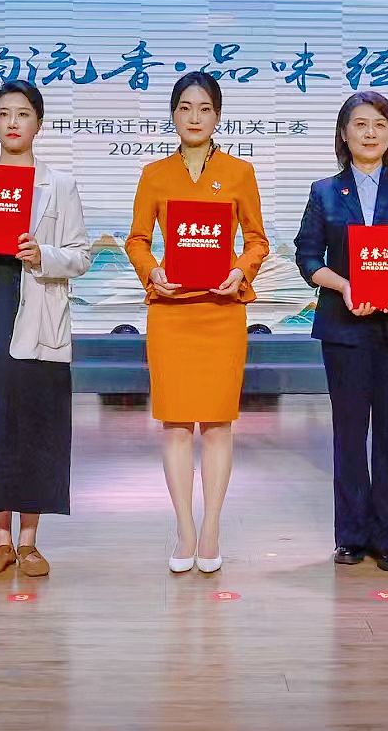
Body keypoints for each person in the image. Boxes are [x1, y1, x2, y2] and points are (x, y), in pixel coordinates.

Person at [0, 82, 93, 579]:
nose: (12, 122)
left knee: (33, 427)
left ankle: (29, 542)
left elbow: (81, 256)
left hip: (37, 318)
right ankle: (0, 541)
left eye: (23, 114)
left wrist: (43, 255)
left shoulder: (60, 185)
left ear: (39, 123)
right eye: (4, 113)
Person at [125, 71, 269, 575]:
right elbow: (137, 239)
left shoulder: (239, 172)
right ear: (173, 114)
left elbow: (257, 239)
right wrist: (152, 272)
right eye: (185, 107)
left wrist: (240, 270)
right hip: (171, 313)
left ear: (218, 116)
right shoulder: (154, 174)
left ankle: (211, 528)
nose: (194, 117)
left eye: (204, 108)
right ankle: (185, 528)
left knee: (218, 423)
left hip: (221, 312)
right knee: (176, 424)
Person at [293, 91, 388, 573]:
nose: (370, 132)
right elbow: (307, 257)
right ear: (344, 134)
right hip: (345, 329)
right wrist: (344, 285)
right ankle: (352, 536)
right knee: (350, 434)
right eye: (360, 124)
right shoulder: (323, 192)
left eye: (380, 123)